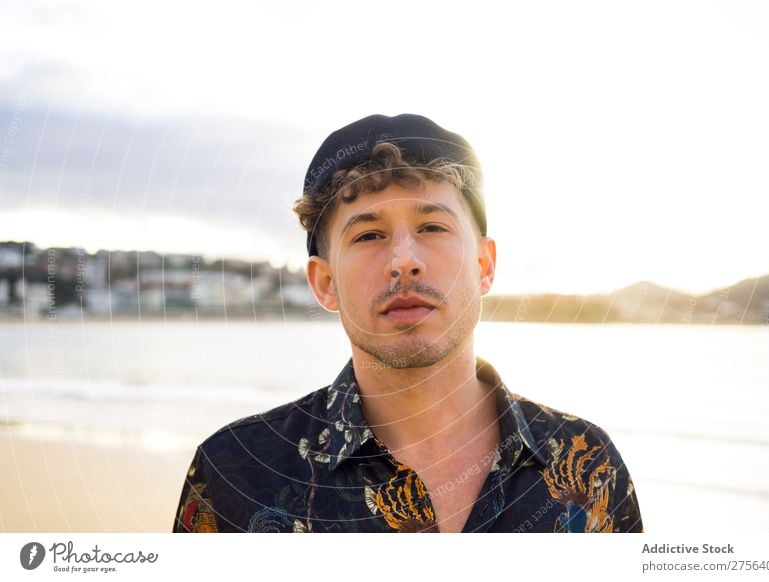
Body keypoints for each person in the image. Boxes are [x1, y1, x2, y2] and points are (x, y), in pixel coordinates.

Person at [173, 113, 644, 533]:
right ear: (325, 282)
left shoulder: (588, 462)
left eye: (433, 227)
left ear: (483, 265)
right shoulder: (235, 473)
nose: (404, 262)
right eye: (369, 234)